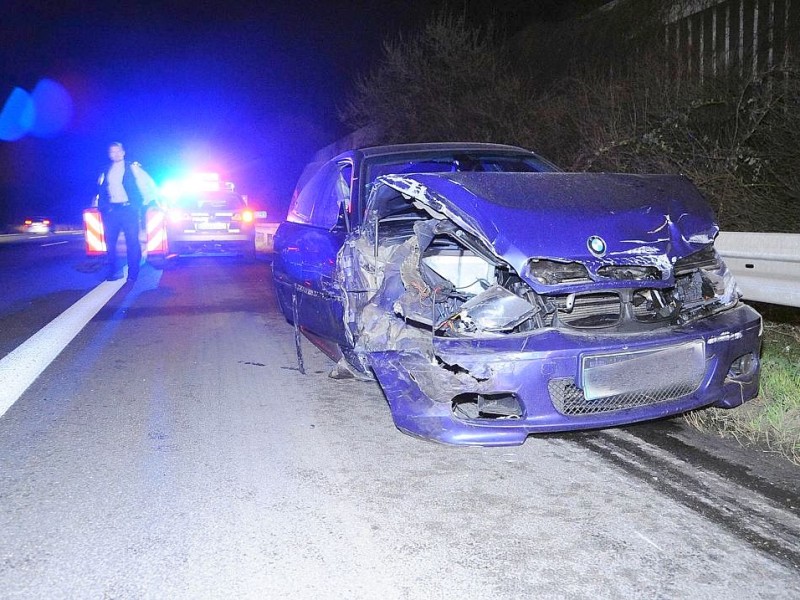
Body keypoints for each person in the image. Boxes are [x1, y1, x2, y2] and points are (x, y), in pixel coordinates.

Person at [96, 142, 158, 282]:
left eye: (118, 151)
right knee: (110, 243)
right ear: (109, 154)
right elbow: (101, 189)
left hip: (128, 209)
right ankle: (112, 271)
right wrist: (103, 207)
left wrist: (147, 203)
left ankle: (133, 274)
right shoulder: (105, 170)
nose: (116, 154)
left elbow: (147, 184)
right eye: (112, 152)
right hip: (112, 211)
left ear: (123, 152)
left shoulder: (132, 168)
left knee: (132, 243)